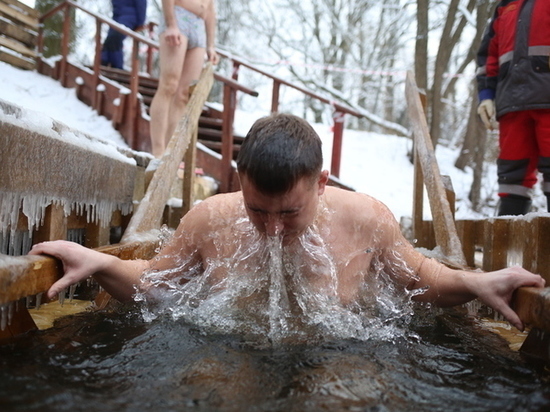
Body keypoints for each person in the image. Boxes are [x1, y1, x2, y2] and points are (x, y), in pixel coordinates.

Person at [29, 113, 545, 333]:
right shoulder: (210, 218)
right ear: (240, 179)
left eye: (290, 213)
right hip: (234, 347)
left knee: (348, 392)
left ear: (321, 184)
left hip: (341, 351)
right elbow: (156, 283)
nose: (273, 228)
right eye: (258, 210)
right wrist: (98, 261)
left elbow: (419, 279)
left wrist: (476, 282)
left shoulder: (365, 216)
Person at [476, 0, 550, 216]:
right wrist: (486, 96)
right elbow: (488, 56)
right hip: (512, 105)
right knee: (511, 177)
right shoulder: (505, 6)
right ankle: (508, 248)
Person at [149, 0, 220, 158]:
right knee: (169, 85)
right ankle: (158, 151)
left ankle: (169, 154)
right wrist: (171, 24)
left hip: (199, 25)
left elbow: (211, 10)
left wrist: (211, 45)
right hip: (178, 16)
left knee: (183, 95)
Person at [101, 0, 148, 70]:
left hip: (130, 18)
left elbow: (141, 4)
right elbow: (116, 9)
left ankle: (117, 68)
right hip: (117, 19)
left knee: (115, 38)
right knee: (108, 42)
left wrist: (140, 22)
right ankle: (104, 63)